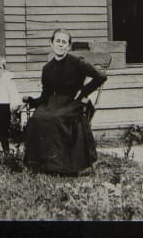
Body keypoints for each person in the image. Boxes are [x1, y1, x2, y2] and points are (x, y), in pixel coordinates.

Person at [23, 27, 107, 174]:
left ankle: (58, 166)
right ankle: (39, 164)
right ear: (51, 44)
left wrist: (83, 92)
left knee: (55, 118)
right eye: (57, 41)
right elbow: (46, 94)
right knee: (37, 118)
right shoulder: (47, 68)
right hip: (54, 102)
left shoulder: (77, 62)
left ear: (68, 46)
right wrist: (32, 101)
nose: (60, 44)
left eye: (64, 42)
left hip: (72, 103)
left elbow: (101, 76)